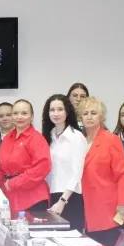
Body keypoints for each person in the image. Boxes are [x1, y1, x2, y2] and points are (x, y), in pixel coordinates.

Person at [79, 96, 124, 246]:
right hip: (84, 207)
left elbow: (122, 174)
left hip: (107, 208)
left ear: (101, 116)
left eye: (93, 113)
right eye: (85, 113)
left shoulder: (111, 140)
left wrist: (123, 204)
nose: (89, 117)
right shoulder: (79, 141)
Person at [0, 99, 51, 217]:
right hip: (10, 196)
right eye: (15, 113)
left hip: (33, 198)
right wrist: (0, 186)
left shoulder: (36, 138)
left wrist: (14, 183)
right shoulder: (7, 138)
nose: (19, 117)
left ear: (32, 117)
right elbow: (1, 167)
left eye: (24, 113)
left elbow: (42, 167)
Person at [42, 94, 86, 231]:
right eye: (52, 110)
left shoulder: (76, 137)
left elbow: (77, 173)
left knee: (71, 241)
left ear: (67, 112)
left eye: (60, 109)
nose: (56, 113)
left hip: (70, 197)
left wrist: (62, 201)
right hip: (52, 195)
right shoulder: (48, 136)